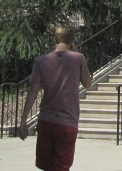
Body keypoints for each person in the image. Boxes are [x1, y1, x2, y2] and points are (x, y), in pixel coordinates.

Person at [18, 26, 92, 171]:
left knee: (46, 166)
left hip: (46, 120)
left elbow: (33, 91)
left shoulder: (41, 61)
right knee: (61, 167)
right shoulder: (78, 58)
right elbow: (87, 83)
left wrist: (23, 120)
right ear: (72, 41)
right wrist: (76, 51)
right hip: (67, 121)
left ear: (55, 39)